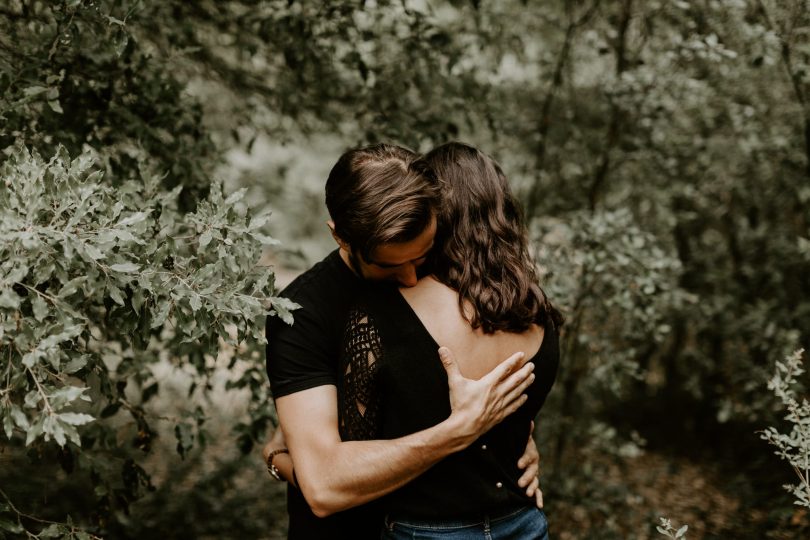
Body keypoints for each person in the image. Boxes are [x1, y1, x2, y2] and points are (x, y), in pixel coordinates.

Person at [264, 143, 542, 539]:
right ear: (340, 237)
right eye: (390, 265)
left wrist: (510, 446)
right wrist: (457, 431)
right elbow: (323, 487)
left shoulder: (443, 270)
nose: (412, 278)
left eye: (422, 255)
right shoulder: (302, 313)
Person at [337, 142, 563, 539]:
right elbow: (518, 426)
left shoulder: (381, 310)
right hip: (523, 522)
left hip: (421, 529)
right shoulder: (538, 314)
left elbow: (352, 447)